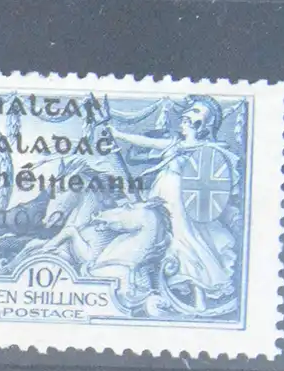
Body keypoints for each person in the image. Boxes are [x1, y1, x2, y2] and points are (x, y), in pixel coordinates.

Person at [102, 96, 240, 308]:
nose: (184, 122)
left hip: (179, 203)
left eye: (189, 118)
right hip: (162, 196)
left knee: (184, 241)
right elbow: (147, 142)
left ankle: (199, 298)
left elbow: (209, 180)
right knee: (159, 238)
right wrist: (118, 134)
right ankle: (159, 290)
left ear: (201, 124)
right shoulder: (176, 144)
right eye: (185, 117)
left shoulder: (207, 149)